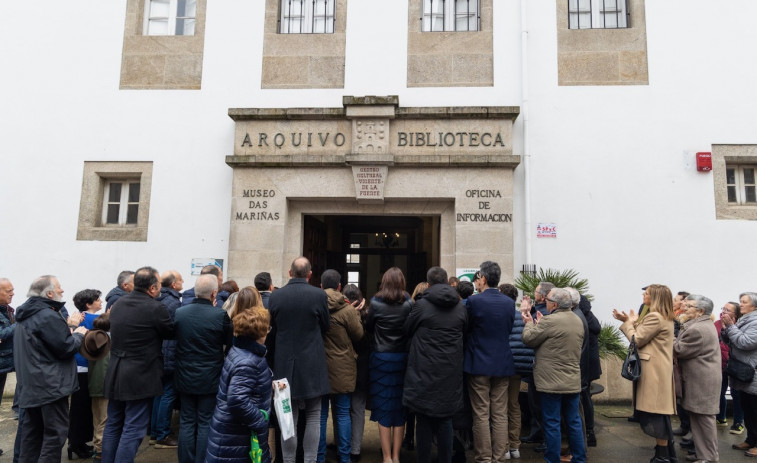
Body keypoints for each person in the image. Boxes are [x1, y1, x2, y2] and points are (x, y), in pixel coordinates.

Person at [101, 266, 175, 463]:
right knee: (133, 427)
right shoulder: (155, 308)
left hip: (116, 370)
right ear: (152, 288)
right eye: (158, 285)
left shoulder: (118, 304)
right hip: (140, 374)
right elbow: (170, 332)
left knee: (114, 423)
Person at [13, 275, 88, 462]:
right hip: (50, 385)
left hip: (32, 384)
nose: (62, 290)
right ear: (49, 293)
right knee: (55, 435)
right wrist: (78, 335)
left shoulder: (28, 314)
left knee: (32, 435)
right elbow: (66, 348)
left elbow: (46, 345)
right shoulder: (47, 315)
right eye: (59, 287)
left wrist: (69, 327)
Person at [269, 257, 330, 463]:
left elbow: (273, 328)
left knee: (288, 417)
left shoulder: (276, 296)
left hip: (284, 362)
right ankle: (310, 460)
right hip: (312, 362)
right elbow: (325, 325)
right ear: (310, 274)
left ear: (289, 272)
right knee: (313, 415)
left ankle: (288, 460)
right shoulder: (318, 295)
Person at [404, 266, 468, 463]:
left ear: (429, 283)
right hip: (450, 369)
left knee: (423, 419)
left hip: (423, 369)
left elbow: (407, 329)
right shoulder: (460, 306)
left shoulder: (421, 306)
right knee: (446, 419)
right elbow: (465, 330)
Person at [613, 284, 677, 463]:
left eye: (647, 293)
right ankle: (665, 453)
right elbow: (642, 332)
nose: (643, 295)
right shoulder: (662, 316)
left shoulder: (655, 317)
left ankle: (663, 455)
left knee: (655, 412)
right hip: (657, 369)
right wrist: (629, 321)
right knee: (658, 413)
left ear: (655, 298)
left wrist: (628, 324)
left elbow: (637, 339)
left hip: (653, 371)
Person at [522, 287, 586, 463]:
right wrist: (543, 324)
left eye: (548, 300)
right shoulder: (576, 320)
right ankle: (579, 458)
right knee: (573, 422)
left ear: (555, 304)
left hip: (551, 382)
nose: (545, 302)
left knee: (552, 422)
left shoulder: (549, 321)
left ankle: (552, 459)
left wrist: (529, 322)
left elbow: (529, 339)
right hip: (572, 379)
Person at [175, 274, 233, 463]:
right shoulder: (220, 315)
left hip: (184, 374)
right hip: (210, 375)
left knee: (187, 421)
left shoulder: (180, 313)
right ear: (214, 293)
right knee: (206, 421)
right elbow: (229, 342)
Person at [206, 307, 273, 463]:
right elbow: (237, 399)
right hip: (238, 435)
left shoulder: (240, 351)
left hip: (232, 433)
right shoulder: (249, 361)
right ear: (259, 333)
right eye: (267, 329)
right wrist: (260, 422)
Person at [464, 261, 516, 463]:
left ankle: (484, 457)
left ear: (483, 279)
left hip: (478, 361)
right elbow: (509, 329)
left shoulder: (474, 302)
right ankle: (499, 457)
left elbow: (467, 328)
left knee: (481, 413)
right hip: (502, 362)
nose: (476, 282)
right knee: (500, 413)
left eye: (478, 278)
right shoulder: (509, 303)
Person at [365, 267, 413, 463]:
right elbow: (411, 329)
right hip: (402, 358)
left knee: (384, 409)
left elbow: (368, 328)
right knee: (400, 410)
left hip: (381, 359)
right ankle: (396, 456)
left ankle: (386, 457)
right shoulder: (409, 303)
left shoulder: (376, 303)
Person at [319, 270, 364, 463]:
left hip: (319, 366)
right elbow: (359, 336)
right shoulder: (347, 310)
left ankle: (319, 457)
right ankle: (345, 456)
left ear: (321, 286)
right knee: (343, 412)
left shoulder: (316, 305)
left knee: (319, 415)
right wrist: (357, 315)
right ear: (339, 286)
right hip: (343, 367)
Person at [673, 295, 720, 463]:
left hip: (702, 382)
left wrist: (665, 337)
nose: (685, 307)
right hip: (699, 380)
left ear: (701, 311)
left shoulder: (698, 329)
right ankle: (702, 454)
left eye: (690, 306)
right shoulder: (700, 325)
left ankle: (709, 457)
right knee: (698, 420)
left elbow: (680, 349)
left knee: (704, 421)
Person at [68, 289, 104, 459]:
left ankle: (76, 442)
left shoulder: (80, 318)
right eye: (98, 300)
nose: (101, 302)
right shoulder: (94, 319)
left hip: (78, 366)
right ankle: (77, 443)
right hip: (86, 367)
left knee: (78, 407)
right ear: (89, 304)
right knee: (84, 408)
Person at [721, 291, 757, 458]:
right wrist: (726, 330)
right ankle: (750, 440)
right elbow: (733, 341)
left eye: (744, 302)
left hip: (752, 373)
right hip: (743, 373)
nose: (740, 304)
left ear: (755, 306)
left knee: (755, 411)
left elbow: (745, 342)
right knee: (748, 410)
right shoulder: (745, 319)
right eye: (740, 301)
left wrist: (731, 327)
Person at [151, 270, 184, 448]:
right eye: (180, 280)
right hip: (170, 355)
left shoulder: (159, 300)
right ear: (173, 284)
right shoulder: (173, 303)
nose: (183, 282)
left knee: (159, 393)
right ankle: (162, 434)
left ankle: (155, 431)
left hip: (159, 353)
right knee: (168, 394)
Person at [342, 284, 368, 462]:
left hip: (343, 367)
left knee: (343, 409)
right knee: (357, 409)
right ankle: (355, 448)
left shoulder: (339, 314)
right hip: (362, 366)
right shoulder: (368, 314)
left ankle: (343, 445)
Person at [715, 301, 745, 434]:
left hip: (734, 364)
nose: (724, 312)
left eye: (728, 310)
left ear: (735, 313)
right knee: (719, 392)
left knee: (736, 393)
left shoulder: (740, 325)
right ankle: (721, 418)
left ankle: (738, 423)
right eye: (723, 309)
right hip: (719, 364)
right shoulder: (716, 323)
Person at [88, 313, 111, 462]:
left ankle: (97, 448)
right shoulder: (108, 342)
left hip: (94, 383)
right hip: (105, 384)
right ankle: (101, 450)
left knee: (97, 418)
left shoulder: (92, 340)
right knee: (105, 418)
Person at [0, 278, 15, 457]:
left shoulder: (8, 311)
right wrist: (19, 325)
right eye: (8, 290)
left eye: (12, 290)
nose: (12, 293)